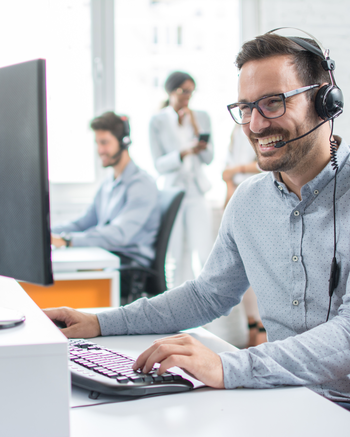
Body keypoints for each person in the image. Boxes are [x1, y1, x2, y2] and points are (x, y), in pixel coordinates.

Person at [44, 32, 350, 409]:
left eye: (273, 103)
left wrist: (228, 366)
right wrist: (101, 323)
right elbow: (207, 295)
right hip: (285, 398)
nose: (255, 125)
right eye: (245, 108)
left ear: (325, 100)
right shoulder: (249, 202)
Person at [51, 111, 161, 270]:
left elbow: (119, 234)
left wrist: (66, 240)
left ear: (124, 142)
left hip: (129, 266)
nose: (100, 150)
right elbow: (83, 223)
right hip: (108, 256)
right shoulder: (108, 184)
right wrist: (47, 234)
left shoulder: (141, 185)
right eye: (97, 143)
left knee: (66, 276)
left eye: (105, 142)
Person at [149, 71, 214, 286]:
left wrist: (196, 129)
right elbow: (159, 165)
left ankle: (204, 309)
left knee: (204, 252)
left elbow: (208, 157)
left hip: (197, 192)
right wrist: (183, 153)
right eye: (184, 91)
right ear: (170, 91)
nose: (188, 96)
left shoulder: (201, 117)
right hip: (173, 193)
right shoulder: (157, 121)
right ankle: (176, 309)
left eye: (191, 92)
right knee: (176, 255)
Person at [222, 125, 266, 347]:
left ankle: (261, 329)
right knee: (244, 271)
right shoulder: (235, 132)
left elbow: (266, 164)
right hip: (238, 198)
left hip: (258, 198)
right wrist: (230, 187)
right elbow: (227, 168)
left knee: (259, 270)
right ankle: (253, 327)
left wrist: (236, 170)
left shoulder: (262, 128)